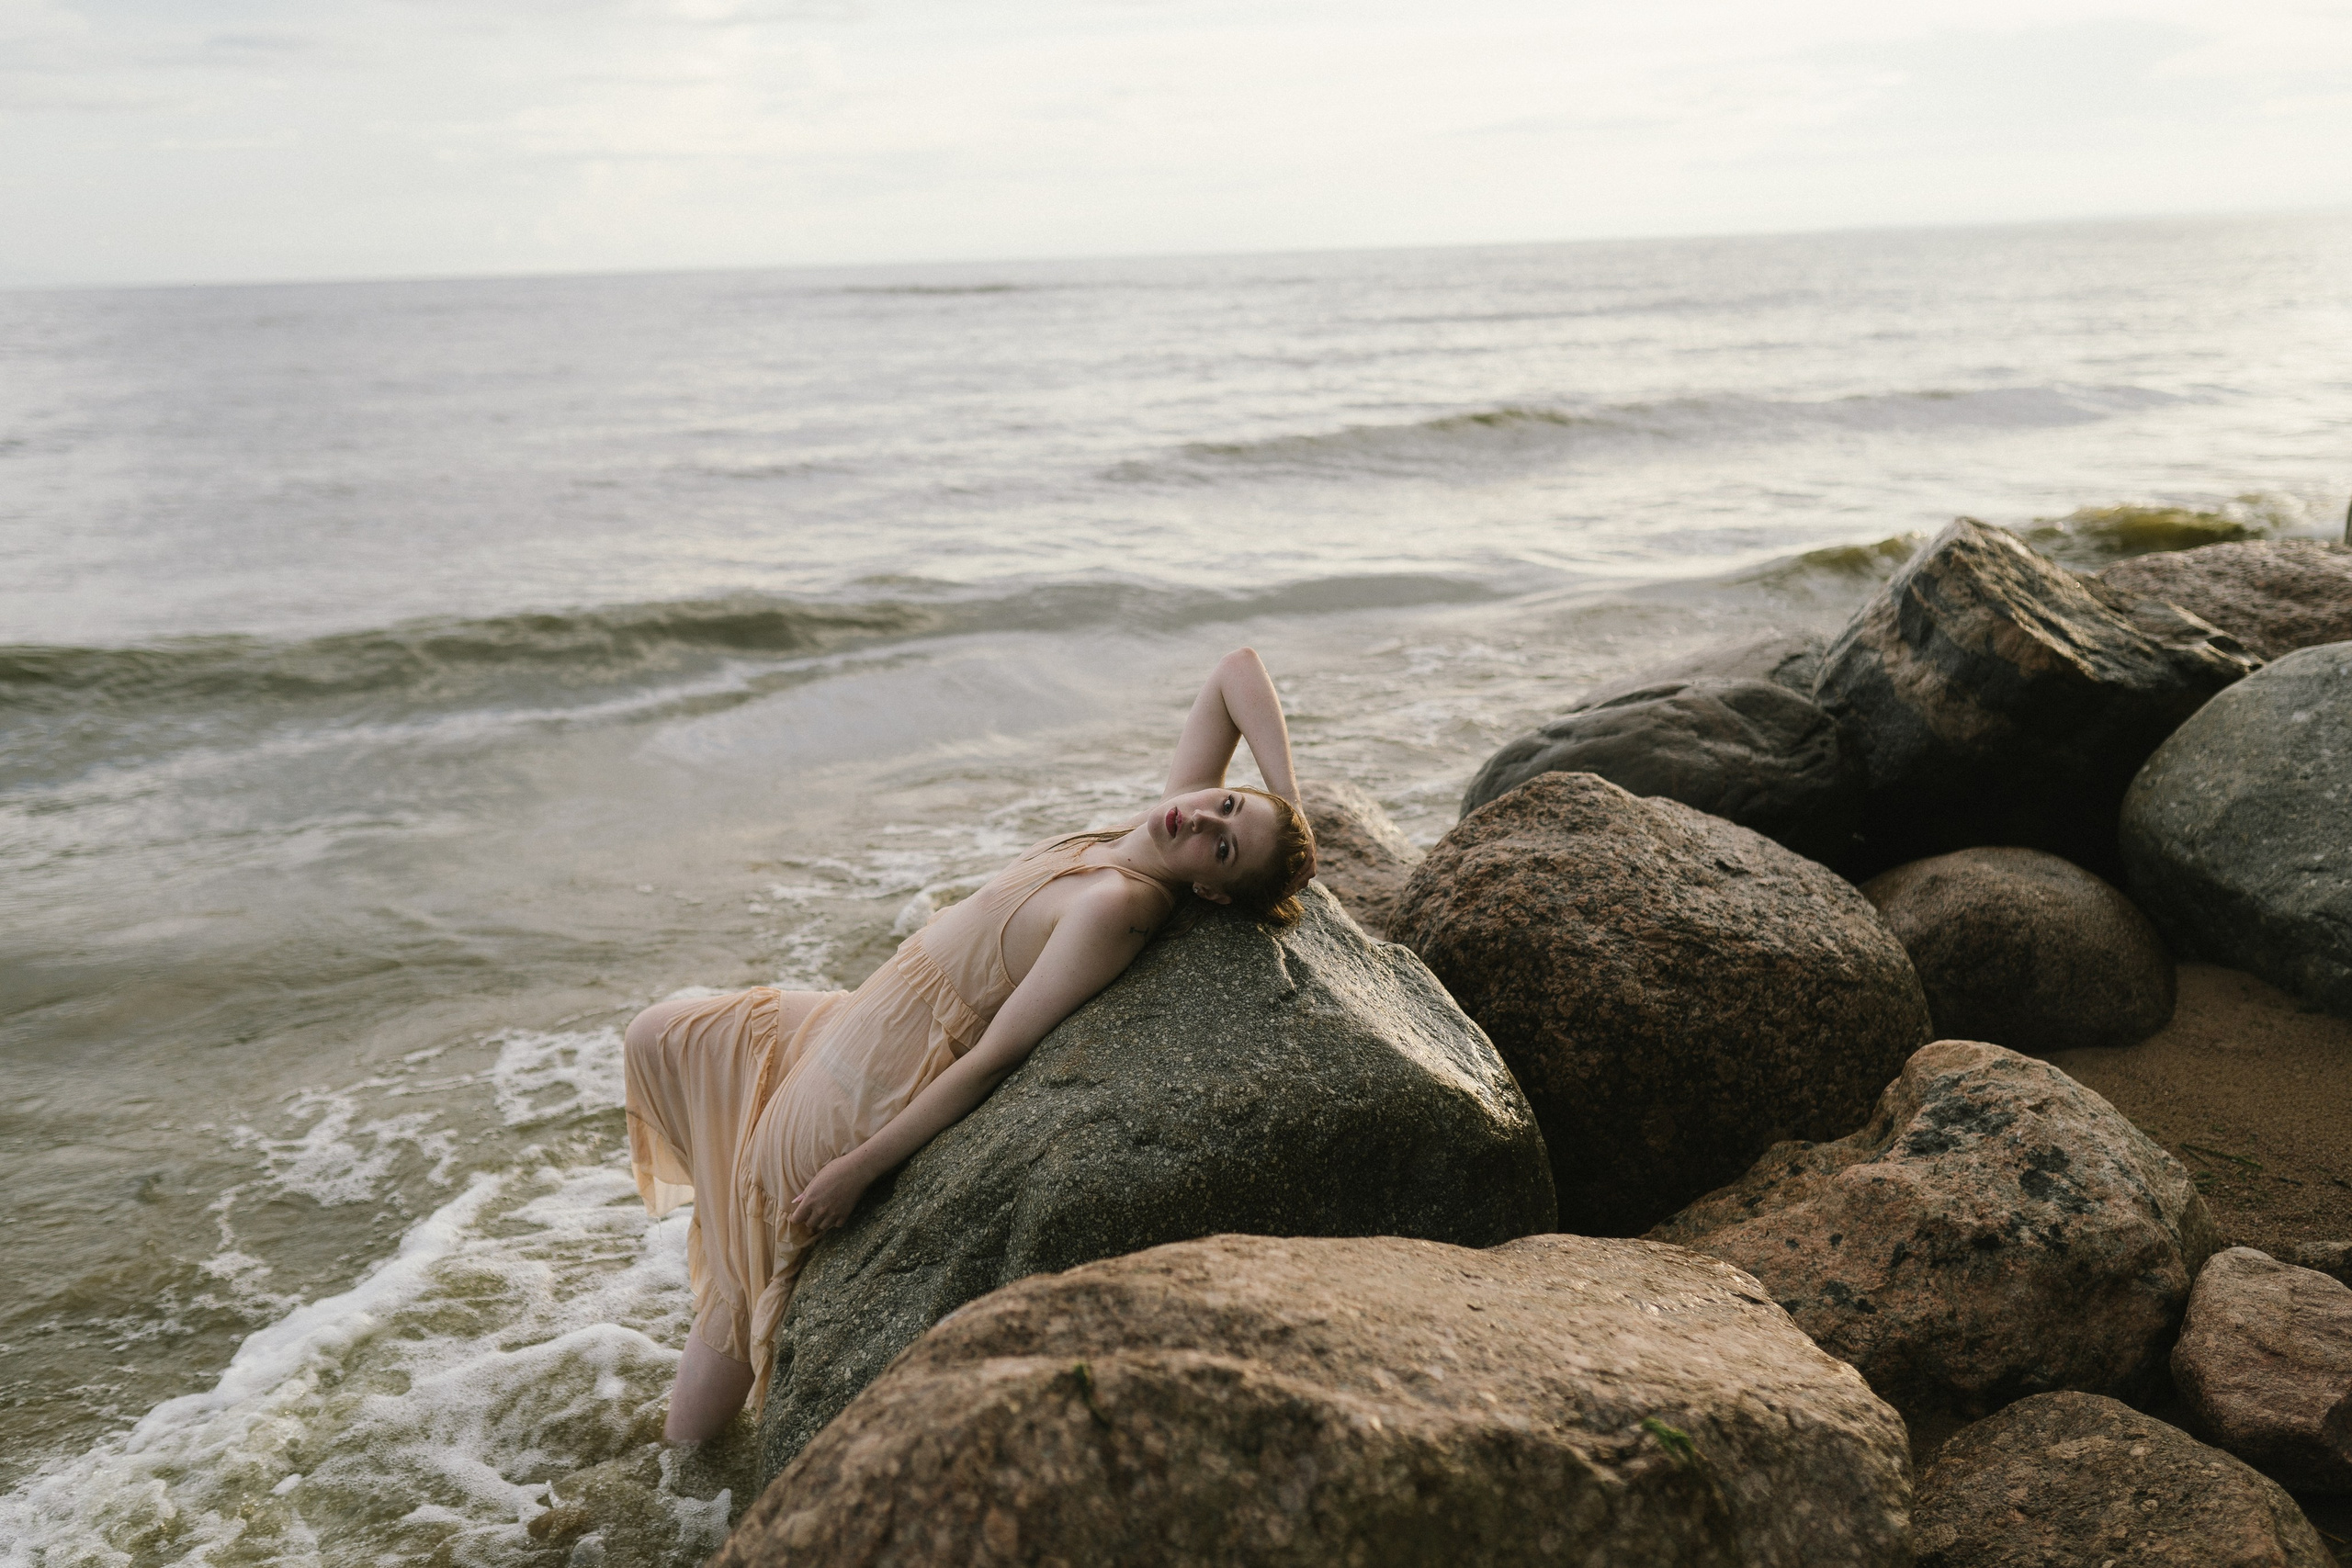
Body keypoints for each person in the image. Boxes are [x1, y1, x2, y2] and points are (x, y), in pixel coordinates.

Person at [621, 647, 1317, 1441]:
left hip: (880, 1069)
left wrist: (859, 1167)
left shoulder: (1118, 906)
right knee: (662, 1035)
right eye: (1226, 802)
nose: (1202, 817)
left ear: (1213, 889)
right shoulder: (1156, 828)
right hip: (862, 1005)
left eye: (1223, 843)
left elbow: (994, 1058)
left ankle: (686, 1472)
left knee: (747, 1245)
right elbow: (1236, 671)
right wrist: (1288, 808)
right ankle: (692, 1438)